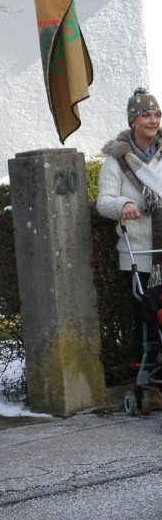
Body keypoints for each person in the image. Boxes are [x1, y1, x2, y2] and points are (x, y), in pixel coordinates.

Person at [97, 87, 162, 402]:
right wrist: (122, 204)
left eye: (157, 114)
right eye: (146, 115)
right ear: (133, 120)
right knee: (146, 319)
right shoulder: (117, 160)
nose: (153, 120)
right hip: (139, 254)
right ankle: (149, 384)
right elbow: (103, 202)